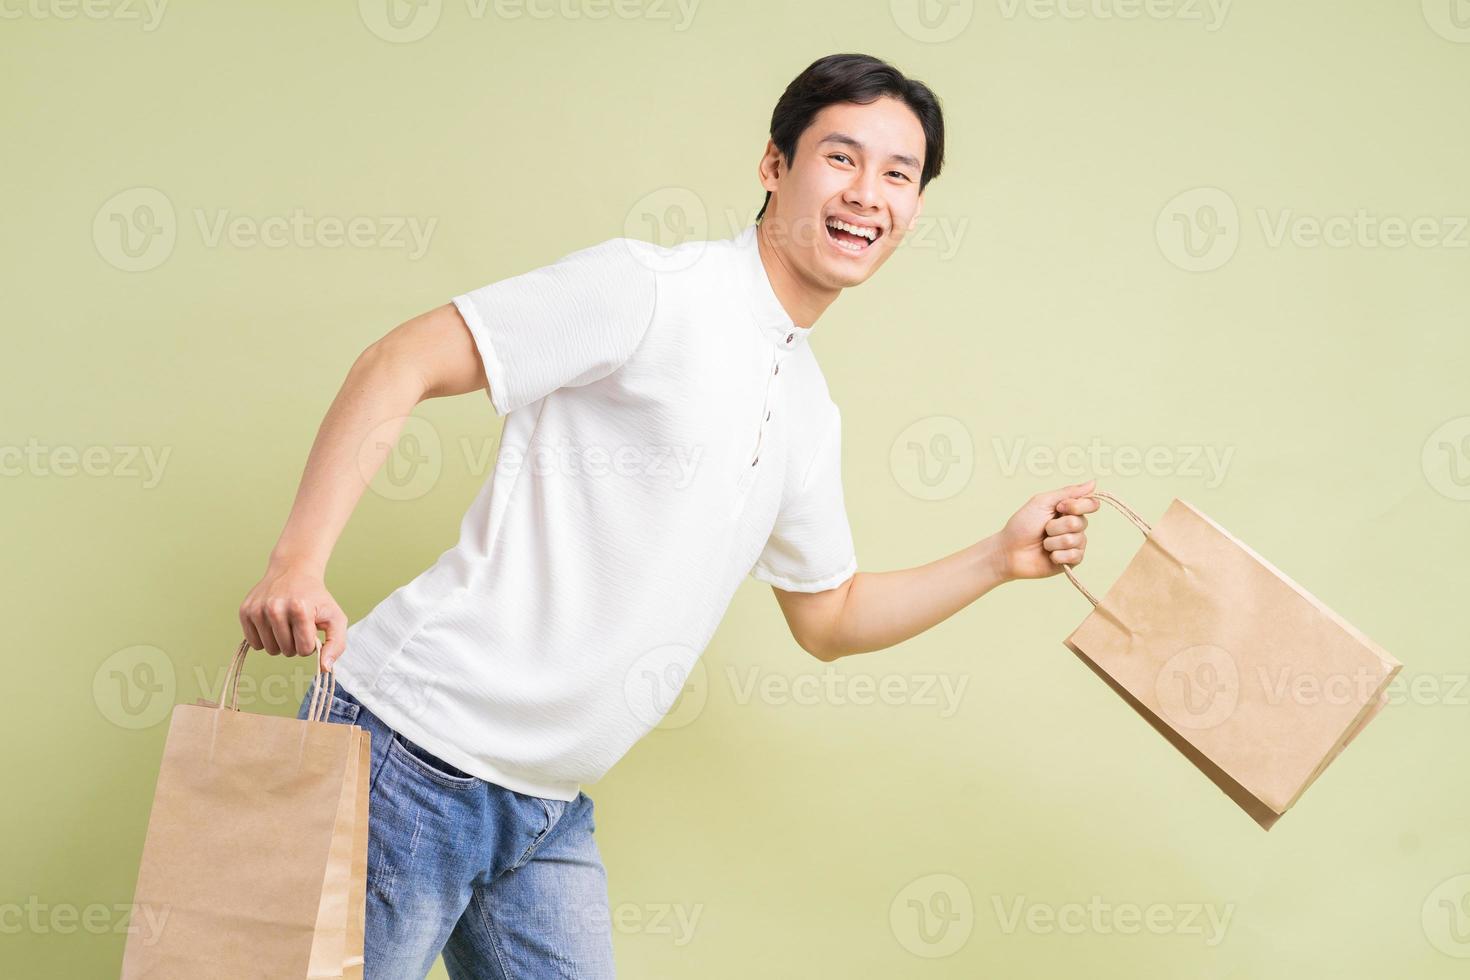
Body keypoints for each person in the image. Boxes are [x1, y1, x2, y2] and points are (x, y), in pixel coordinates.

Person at [240, 52, 1099, 980]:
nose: (868, 193)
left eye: (898, 174)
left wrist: (999, 558)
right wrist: (298, 563)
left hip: (544, 806)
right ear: (775, 165)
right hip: (408, 757)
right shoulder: (649, 290)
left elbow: (831, 617)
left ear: (915, 211)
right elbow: (397, 361)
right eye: (841, 158)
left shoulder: (809, 409)